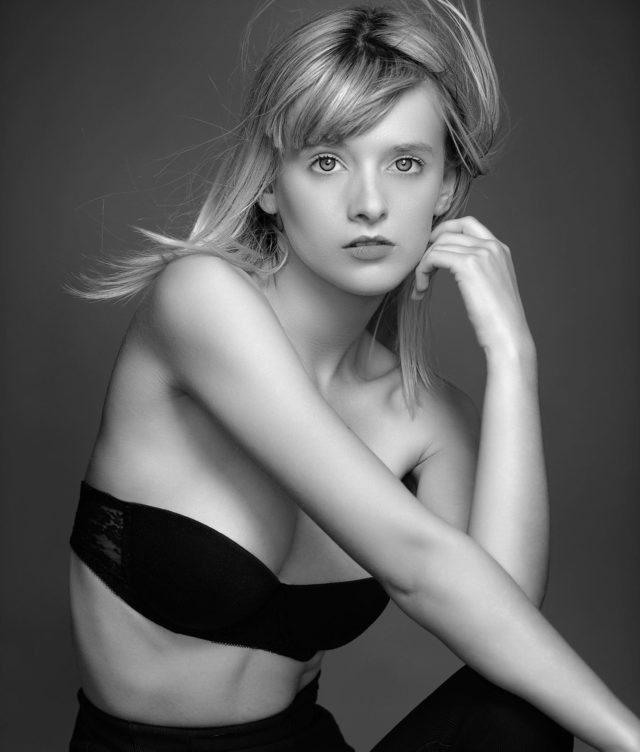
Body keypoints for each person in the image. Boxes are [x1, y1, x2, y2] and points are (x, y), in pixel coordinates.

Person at [67, 1, 640, 750]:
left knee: (524, 714)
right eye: (327, 161)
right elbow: (415, 563)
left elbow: (506, 631)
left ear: (445, 189)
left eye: (405, 164)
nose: (369, 204)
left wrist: (513, 356)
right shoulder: (201, 299)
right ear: (270, 185)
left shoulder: (430, 418)